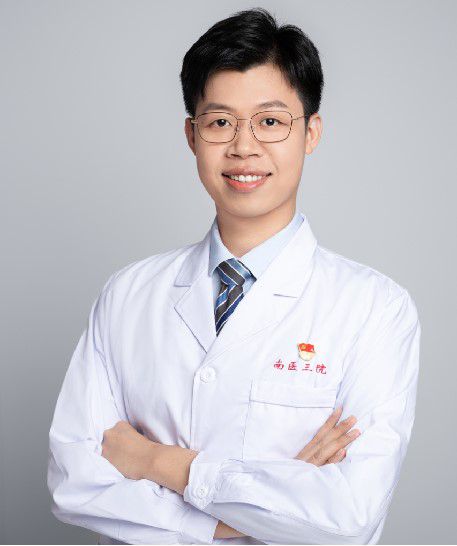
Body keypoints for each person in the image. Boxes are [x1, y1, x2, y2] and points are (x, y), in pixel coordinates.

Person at [47, 7, 421, 545]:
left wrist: (156, 461)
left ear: (310, 132)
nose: (244, 147)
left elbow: (346, 519)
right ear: (191, 134)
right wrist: (248, 515)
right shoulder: (128, 294)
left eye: (270, 121)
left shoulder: (374, 308)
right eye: (220, 122)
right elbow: (74, 483)